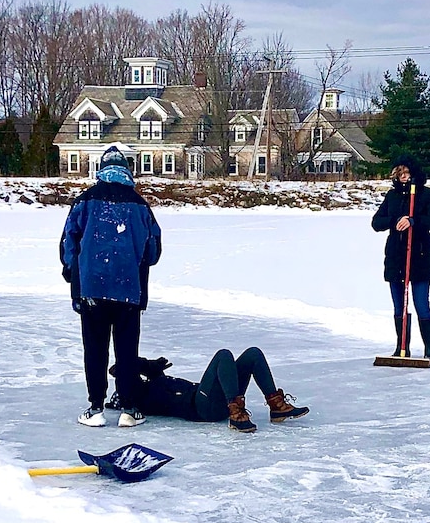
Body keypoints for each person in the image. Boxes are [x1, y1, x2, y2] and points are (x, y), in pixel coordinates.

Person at [60, 145, 162, 428]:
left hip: (92, 288)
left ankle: (95, 408)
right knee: (127, 349)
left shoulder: (84, 201)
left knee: (95, 347)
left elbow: (69, 244)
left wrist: (73, 273)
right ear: (127, 170)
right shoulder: (140, 205)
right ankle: (129, 408)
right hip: (129, 289)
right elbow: (152, 250)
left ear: (102, 169)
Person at [120, 349, 309, 434]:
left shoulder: (154, 382)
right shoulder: (138, 396)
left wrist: (154, 368)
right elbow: (122, 369)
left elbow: (143, 370)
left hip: (214, 400)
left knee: (253, 354)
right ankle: (236, 414)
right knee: (223, 355)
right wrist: (143, 366)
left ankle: (276, 406)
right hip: (201, 408)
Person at [370, 157, 430, 363]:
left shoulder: (426, 195)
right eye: (400, 174)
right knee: (398, 306)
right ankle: (401, 347)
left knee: (421, 303)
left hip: (419, 256)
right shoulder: (393, 196)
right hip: (396, 257)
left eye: (407, 174)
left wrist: (414, 221)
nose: (403, 178)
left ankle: (429, 350)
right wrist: (395, 221)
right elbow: (376, 222)